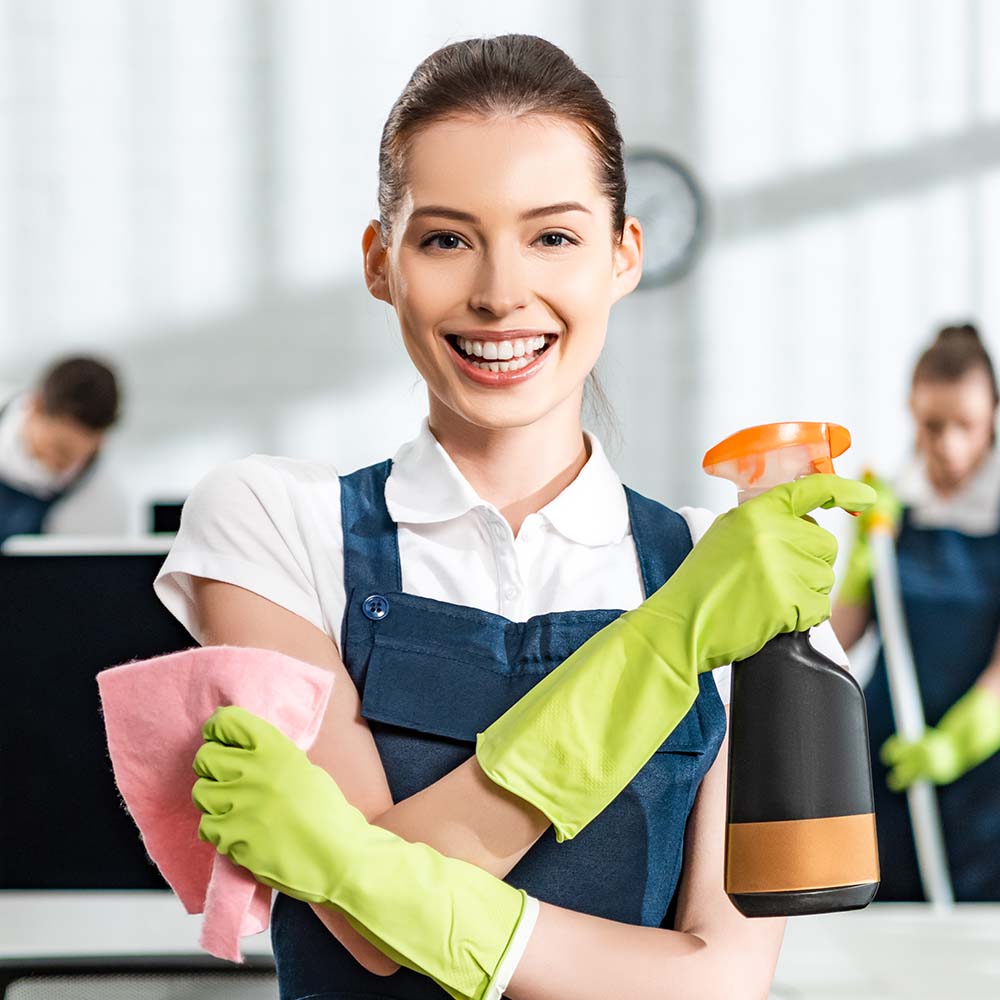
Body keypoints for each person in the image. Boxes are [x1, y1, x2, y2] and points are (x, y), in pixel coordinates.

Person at [155, 35, 872, 1000]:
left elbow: (718, 983)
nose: (499, 293)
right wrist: (662, 647)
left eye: (555, 237)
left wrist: (360, 864)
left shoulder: (725, 566)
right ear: (382, 262)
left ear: (624, 256)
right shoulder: (275, 528)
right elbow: (367, 944)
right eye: (447, 238)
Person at [832, 322, 1000, 902]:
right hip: (890, 748)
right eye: (933, 426)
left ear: (994, 416)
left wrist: (956, 744)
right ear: (911, 410)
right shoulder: (891, 508)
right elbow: (839, 637)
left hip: (981, 763)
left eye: (967, 427)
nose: (949, 447)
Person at [0, 355, 123, 544]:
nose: (60, 465)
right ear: (35, 405)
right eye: (58, 449)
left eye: (74, 458)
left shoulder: (105, 504)